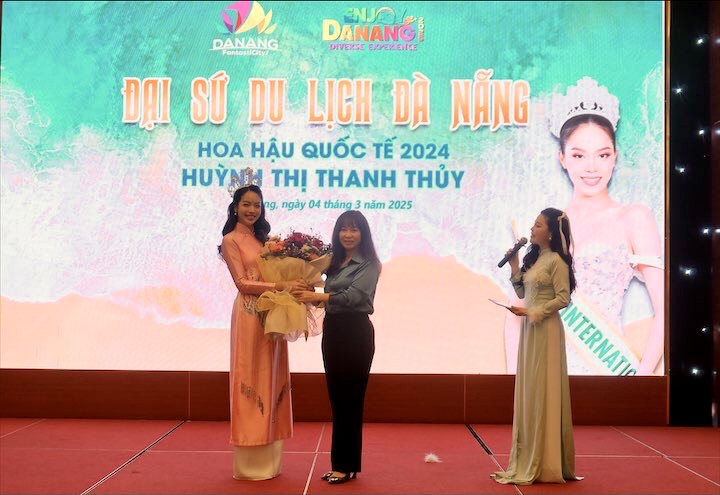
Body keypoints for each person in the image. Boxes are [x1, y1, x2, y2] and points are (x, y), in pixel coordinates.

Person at [504, 77, 664, 376]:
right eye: (579, 155)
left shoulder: (634, 218)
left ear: (614, 157)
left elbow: (666, 310)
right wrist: (513, 380)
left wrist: (641, 380)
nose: (592, 167)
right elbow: (516, 312)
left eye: (602, 155)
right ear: (562, 158)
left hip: (605, 372)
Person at [219, 183, 307, 480]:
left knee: (272, 375)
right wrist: (281, 285)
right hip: (249, 313)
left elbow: (275, 272)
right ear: (235, 207)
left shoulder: (264, 241)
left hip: (273, 312)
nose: (252, 210)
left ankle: (271, 458)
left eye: (256, 205)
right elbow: (242, 283)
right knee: (251, 374)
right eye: (246, 204)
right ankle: (250, 463)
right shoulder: (230, 240)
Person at [492, 207, 581, 485]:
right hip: (530, 330)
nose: (532, 229)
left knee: (544, 389)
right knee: (530, 390)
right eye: (533, 224)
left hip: (546, 330)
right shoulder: (536, 258)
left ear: (551, 233)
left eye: (538, 225)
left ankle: (547, 463)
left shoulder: (557, 261)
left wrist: (532, 312)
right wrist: (514, 264)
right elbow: (522, 292)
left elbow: (563, 299)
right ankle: (529, 457)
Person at [293, 210, 381, 485]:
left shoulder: (369, 264)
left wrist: (318, 296)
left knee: (350, 399)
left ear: (363, 233)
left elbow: (354, 297)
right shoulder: (333, 262)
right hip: (333, 331)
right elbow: (328, 297)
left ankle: (345, 465)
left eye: (354, 229)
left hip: (356, 332)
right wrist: (305, 291)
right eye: (344, 229)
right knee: (337, 399)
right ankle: (342, 464)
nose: (348, 234)